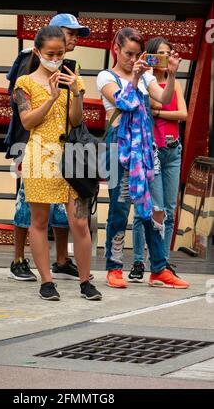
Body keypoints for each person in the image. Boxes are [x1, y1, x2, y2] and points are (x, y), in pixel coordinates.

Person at [96, 27, 189, 289]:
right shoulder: (106, 76)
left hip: (146, 148)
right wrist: (135, 78)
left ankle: (159, 268)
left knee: (151, 209)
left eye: (137, 54)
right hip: (120, 148)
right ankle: (114, 267)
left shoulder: (147, 75)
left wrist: (170, 73)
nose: (132, 59)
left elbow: (166, 98)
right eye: (128, 53)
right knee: (120, 208)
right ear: (116, 49)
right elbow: (124, 103)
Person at [14, 25, 102, 301]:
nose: (56, 59)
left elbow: (76, 120)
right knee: (39, 221)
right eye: (50, 53)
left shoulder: (72, 78)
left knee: (79, 222)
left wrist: (75, 92)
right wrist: (52, 97)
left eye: (60, 53)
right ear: (38, 52)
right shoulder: (24, 83)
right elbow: (27, 121)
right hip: (40, 154)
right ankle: (47, 281)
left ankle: (86, 281)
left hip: (73, 155)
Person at [129, 37, 187, 282]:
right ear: (150, 56)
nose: (164, 57)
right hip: (151, 149)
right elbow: (153, 99)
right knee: (151, 209)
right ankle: (139, 262)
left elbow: (183, 113)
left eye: (168, 53)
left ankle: (160, 263)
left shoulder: (175, 84)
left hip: (173, 149)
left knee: (170, 211)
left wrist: (159, 112)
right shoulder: (145, 82)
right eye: (159, 54)